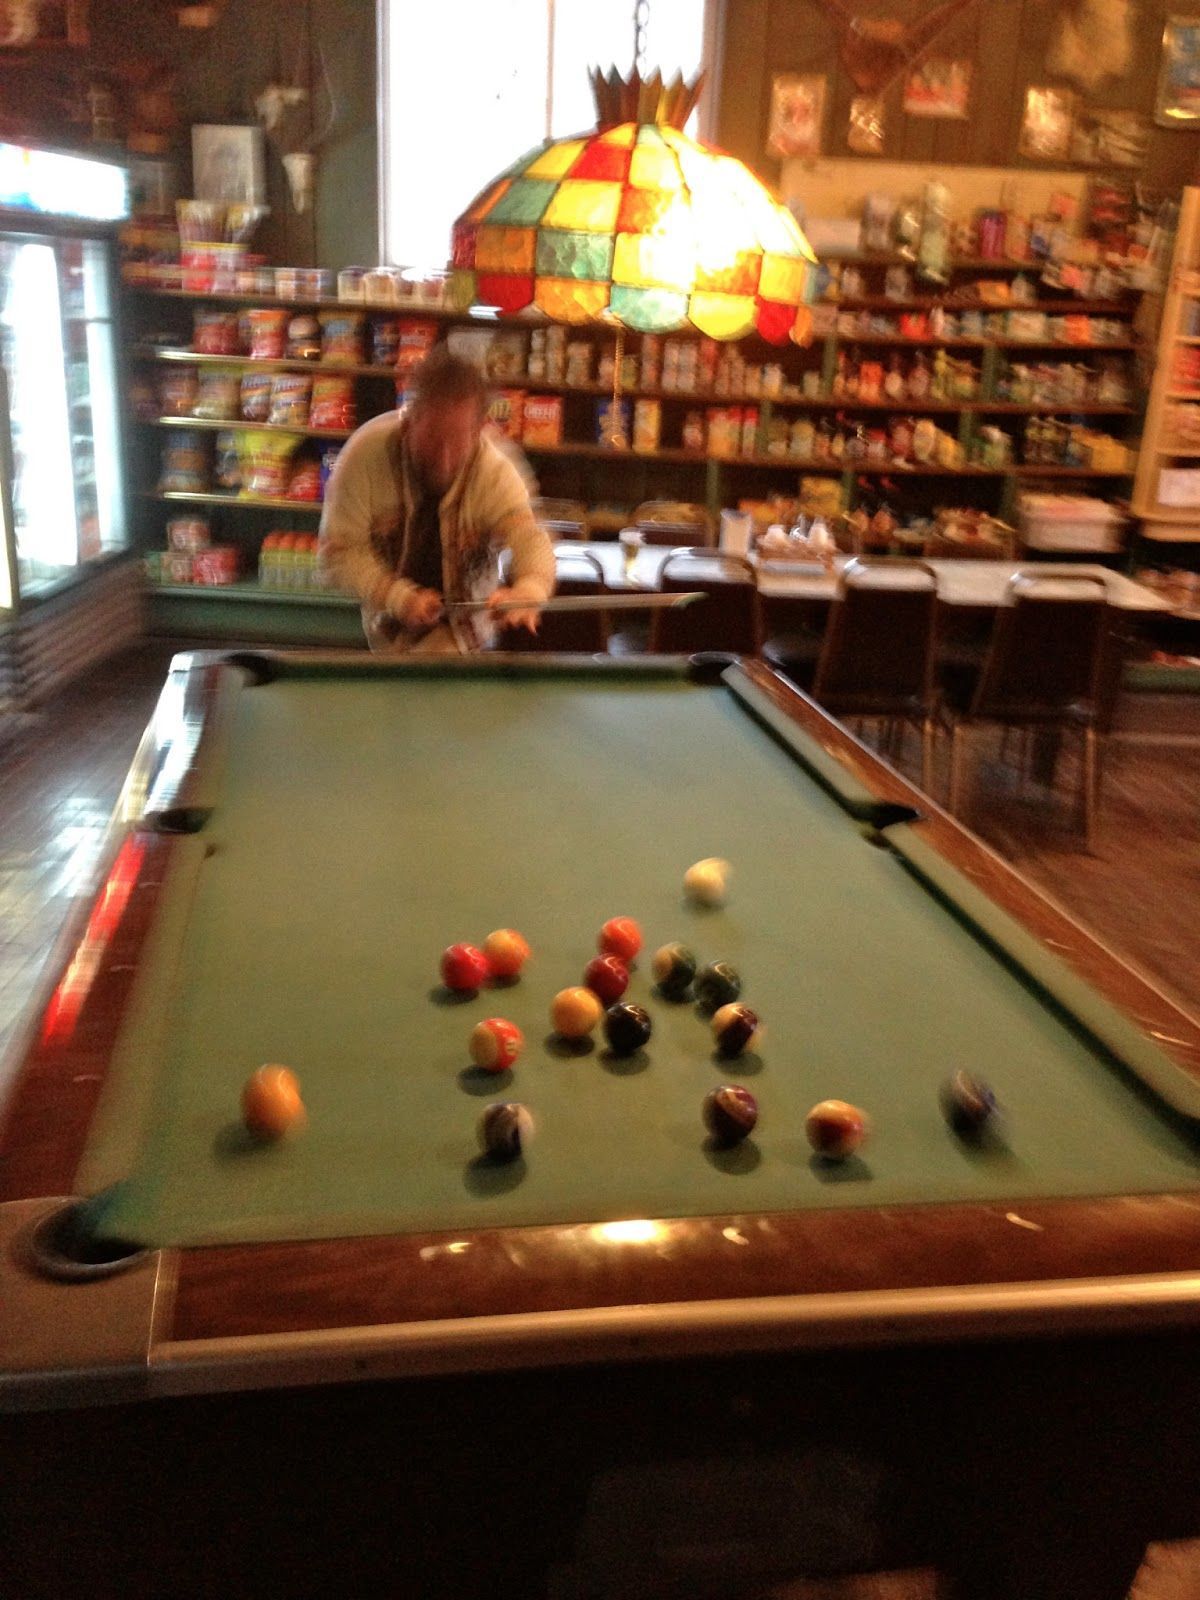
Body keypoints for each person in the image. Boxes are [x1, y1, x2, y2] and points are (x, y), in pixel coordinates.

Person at [320, 348, 554, 652]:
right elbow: (339, 553)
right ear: (408, 422)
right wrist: (398, 598)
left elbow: (532, 541)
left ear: (477, 433)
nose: (444, 460)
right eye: (432, 439)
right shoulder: (363, 455)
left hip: (471, 642)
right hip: (387, 636)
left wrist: (529, 589)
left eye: (457, 443)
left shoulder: (496, 471)